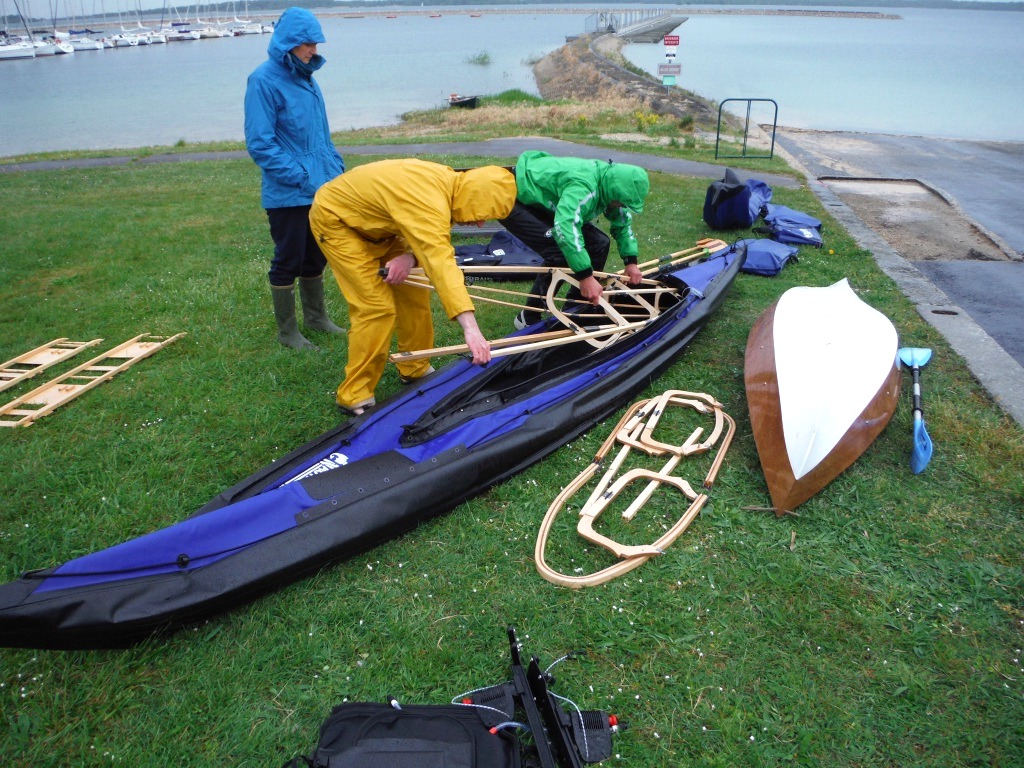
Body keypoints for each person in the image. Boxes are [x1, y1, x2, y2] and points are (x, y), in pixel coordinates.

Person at [309, 159, 517, 415]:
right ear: (474, 198)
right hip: (339, 223)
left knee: (414, 293)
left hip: (385, 227)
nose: (481, 224)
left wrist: (408, 257)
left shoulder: (450, 187)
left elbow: (425, 235)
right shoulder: (429, 201)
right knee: (376, 308)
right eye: (482, 215)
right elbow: (440, 263)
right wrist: (471, 329)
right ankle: (354, 394)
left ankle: (414, 367)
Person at [244, 7, 346, 350]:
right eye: (307, 43)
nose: (313, 49)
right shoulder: (263, 80)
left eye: (315, 42)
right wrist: (301, 177)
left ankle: (316, 318)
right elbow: (260, 143)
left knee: (316, 257)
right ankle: (288, 333)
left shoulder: (307, 77)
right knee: (288, 259)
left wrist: (336, 172)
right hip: (288, 193)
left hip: (322, 188)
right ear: (288, 43)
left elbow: (320, 138)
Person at [498, 150, 650, 329]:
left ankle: (576, 309)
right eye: (622, 203)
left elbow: (622, 222)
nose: (623, 207)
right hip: (515, 195)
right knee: (558, 250)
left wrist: (630, 261)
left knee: (599, 243)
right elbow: (566, 227)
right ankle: (529, 316)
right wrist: (585, 275)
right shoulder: (585, 187)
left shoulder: (610, 185)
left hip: (544, 199)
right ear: (615, 192)